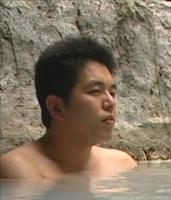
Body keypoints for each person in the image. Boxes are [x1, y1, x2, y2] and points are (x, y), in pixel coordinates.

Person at [0, 35, 137, 179]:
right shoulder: (20, 172)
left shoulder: (122, 166)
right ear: (57, 108)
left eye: (112, 92)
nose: (111, 103)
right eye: (95, 91)